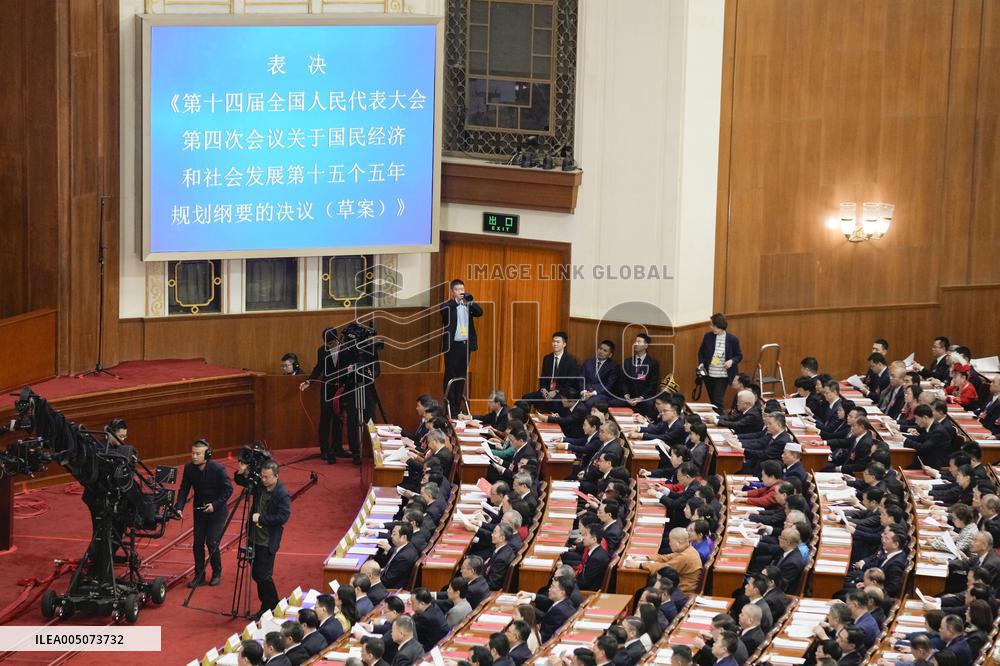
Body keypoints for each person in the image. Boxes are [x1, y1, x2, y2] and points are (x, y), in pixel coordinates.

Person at [236, 460, 291, 620]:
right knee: (256, 574)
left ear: (276, 476)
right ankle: (271, 603)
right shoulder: (260, 486)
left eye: (267, 477)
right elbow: (241, 481)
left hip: (267, 541)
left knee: (263, 575)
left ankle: (270, 605)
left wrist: (262, 518)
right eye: (262, 476)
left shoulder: (282, 494)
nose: (264, 480)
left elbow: (283, 516)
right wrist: (242, 472)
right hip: (254, 538)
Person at [174, 439, 233, 588]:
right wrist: (179, 507)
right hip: (199, 512)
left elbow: (228, 490)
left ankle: (216, 573)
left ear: (207, 454)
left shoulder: (218, 469)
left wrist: (215, 505)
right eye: (193, 453)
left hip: (217, 512)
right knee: (197, 544)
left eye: (198, 454)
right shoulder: (189, 468)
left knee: (212, 542)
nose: (194, 456)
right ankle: (199, 576)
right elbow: (184, 489)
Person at [301, 328, 347, 463]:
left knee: (339, 418)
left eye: (331, 343)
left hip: (342, 388)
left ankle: (338, 448)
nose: (328, 346)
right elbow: (318, 367)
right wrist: (309, 381)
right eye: (326, 343)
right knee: (325, 419)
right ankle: (325, 450)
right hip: (327, 388)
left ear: (337, 339)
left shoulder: (346, 349)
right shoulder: (322, 350)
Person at [440, 279, 483, 416]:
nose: (461, 292)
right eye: (458, 290)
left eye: (462, 289)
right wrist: (456, 301)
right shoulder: (447, 305)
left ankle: (457, 407)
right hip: (452, 347)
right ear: (452, 291)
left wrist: (470, 302)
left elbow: (480, 312)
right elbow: (443, 312)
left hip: (465, 346)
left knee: (461, 376)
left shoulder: (468, 304)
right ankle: (450, 407)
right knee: (450, 375)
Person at [522, 331, 581, 411]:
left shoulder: (571, 360)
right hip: (547, 391)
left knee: (556, 401)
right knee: (526, 397)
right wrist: (543, 389)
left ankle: (550, 420)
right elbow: (543, 377)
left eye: (558, 342)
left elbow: (570, 382)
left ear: (564, 344)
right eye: (553, 341)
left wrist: (556, 391)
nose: (555, 344)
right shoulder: (547, 358)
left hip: (561, 392)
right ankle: (526, 421)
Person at [697, 313, 743, 408]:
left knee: (718, 401)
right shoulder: (708, 336)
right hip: (708, 374)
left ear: (719, 326)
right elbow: (701, 351)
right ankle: (716, 419)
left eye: (712, 325)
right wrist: (701, 362)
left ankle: (719, 420)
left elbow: (739, 355)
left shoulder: (732, 339)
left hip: (723, 375)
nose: (711, 327)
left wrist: (731, 361)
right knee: (713, 400)